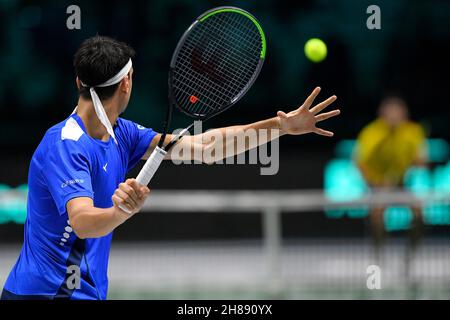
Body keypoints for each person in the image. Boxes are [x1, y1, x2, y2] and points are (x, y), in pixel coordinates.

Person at [1, 36, 340, 300]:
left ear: (78, 81)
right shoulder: (65, 145)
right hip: (47, 293)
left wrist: (279, 127)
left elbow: (206, 147)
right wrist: (123, 211)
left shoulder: (124, 133)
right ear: (126, 83)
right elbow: (84, 222)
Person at [355, 96, 427, 260]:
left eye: (398, 112)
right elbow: (360, 163)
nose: (394, 116)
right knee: (377, 214)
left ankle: (410, 256)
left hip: (401, 184)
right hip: (379, 185)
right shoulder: (371, 132)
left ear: (405, 113)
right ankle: (378, 255)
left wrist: (420, 161)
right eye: (390, 112)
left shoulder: (413, 131)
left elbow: (420, 160)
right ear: (382, 114)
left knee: (420, 213)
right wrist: (375, 184)